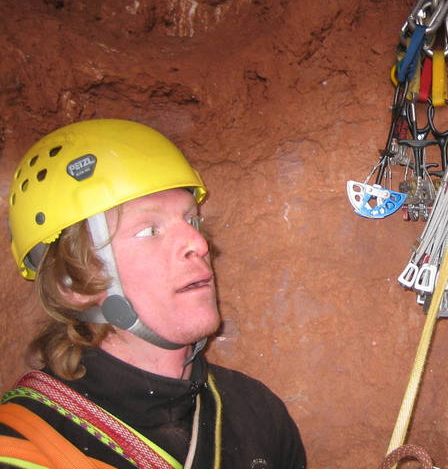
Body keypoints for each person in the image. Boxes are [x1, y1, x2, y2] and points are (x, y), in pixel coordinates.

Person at [0, 118, 306, 469]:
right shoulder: (27, 449)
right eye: (149, 229)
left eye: (191, 221)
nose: (198, 243)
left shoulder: (255, 411)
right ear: (72, 284)